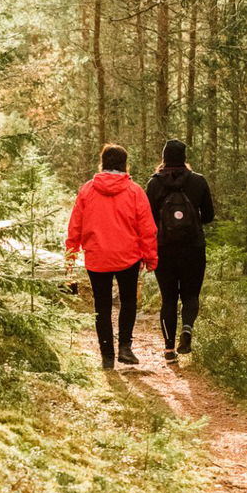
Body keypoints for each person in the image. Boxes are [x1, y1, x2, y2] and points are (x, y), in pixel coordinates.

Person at [65, 144, 159, 369]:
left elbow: (75, 225)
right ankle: (125, 347)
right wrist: (151, 257)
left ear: (103, 163)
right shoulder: (135, 191)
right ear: (125, 164)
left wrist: (71, 254)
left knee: (102, 305)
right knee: (128, 301)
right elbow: (147, 228)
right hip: (128, 256)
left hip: (97, 257)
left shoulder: (87, 190)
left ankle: (107, 355)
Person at [144, 139, 215, 362]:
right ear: (184, 158)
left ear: (164, 158)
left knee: (168, 299)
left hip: (164, 249)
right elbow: (210, 216)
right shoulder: (198, 181)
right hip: (193, 249)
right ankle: (187, 328)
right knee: (190, 295)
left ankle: (168, 350)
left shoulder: (154, 184)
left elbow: (148, 220)